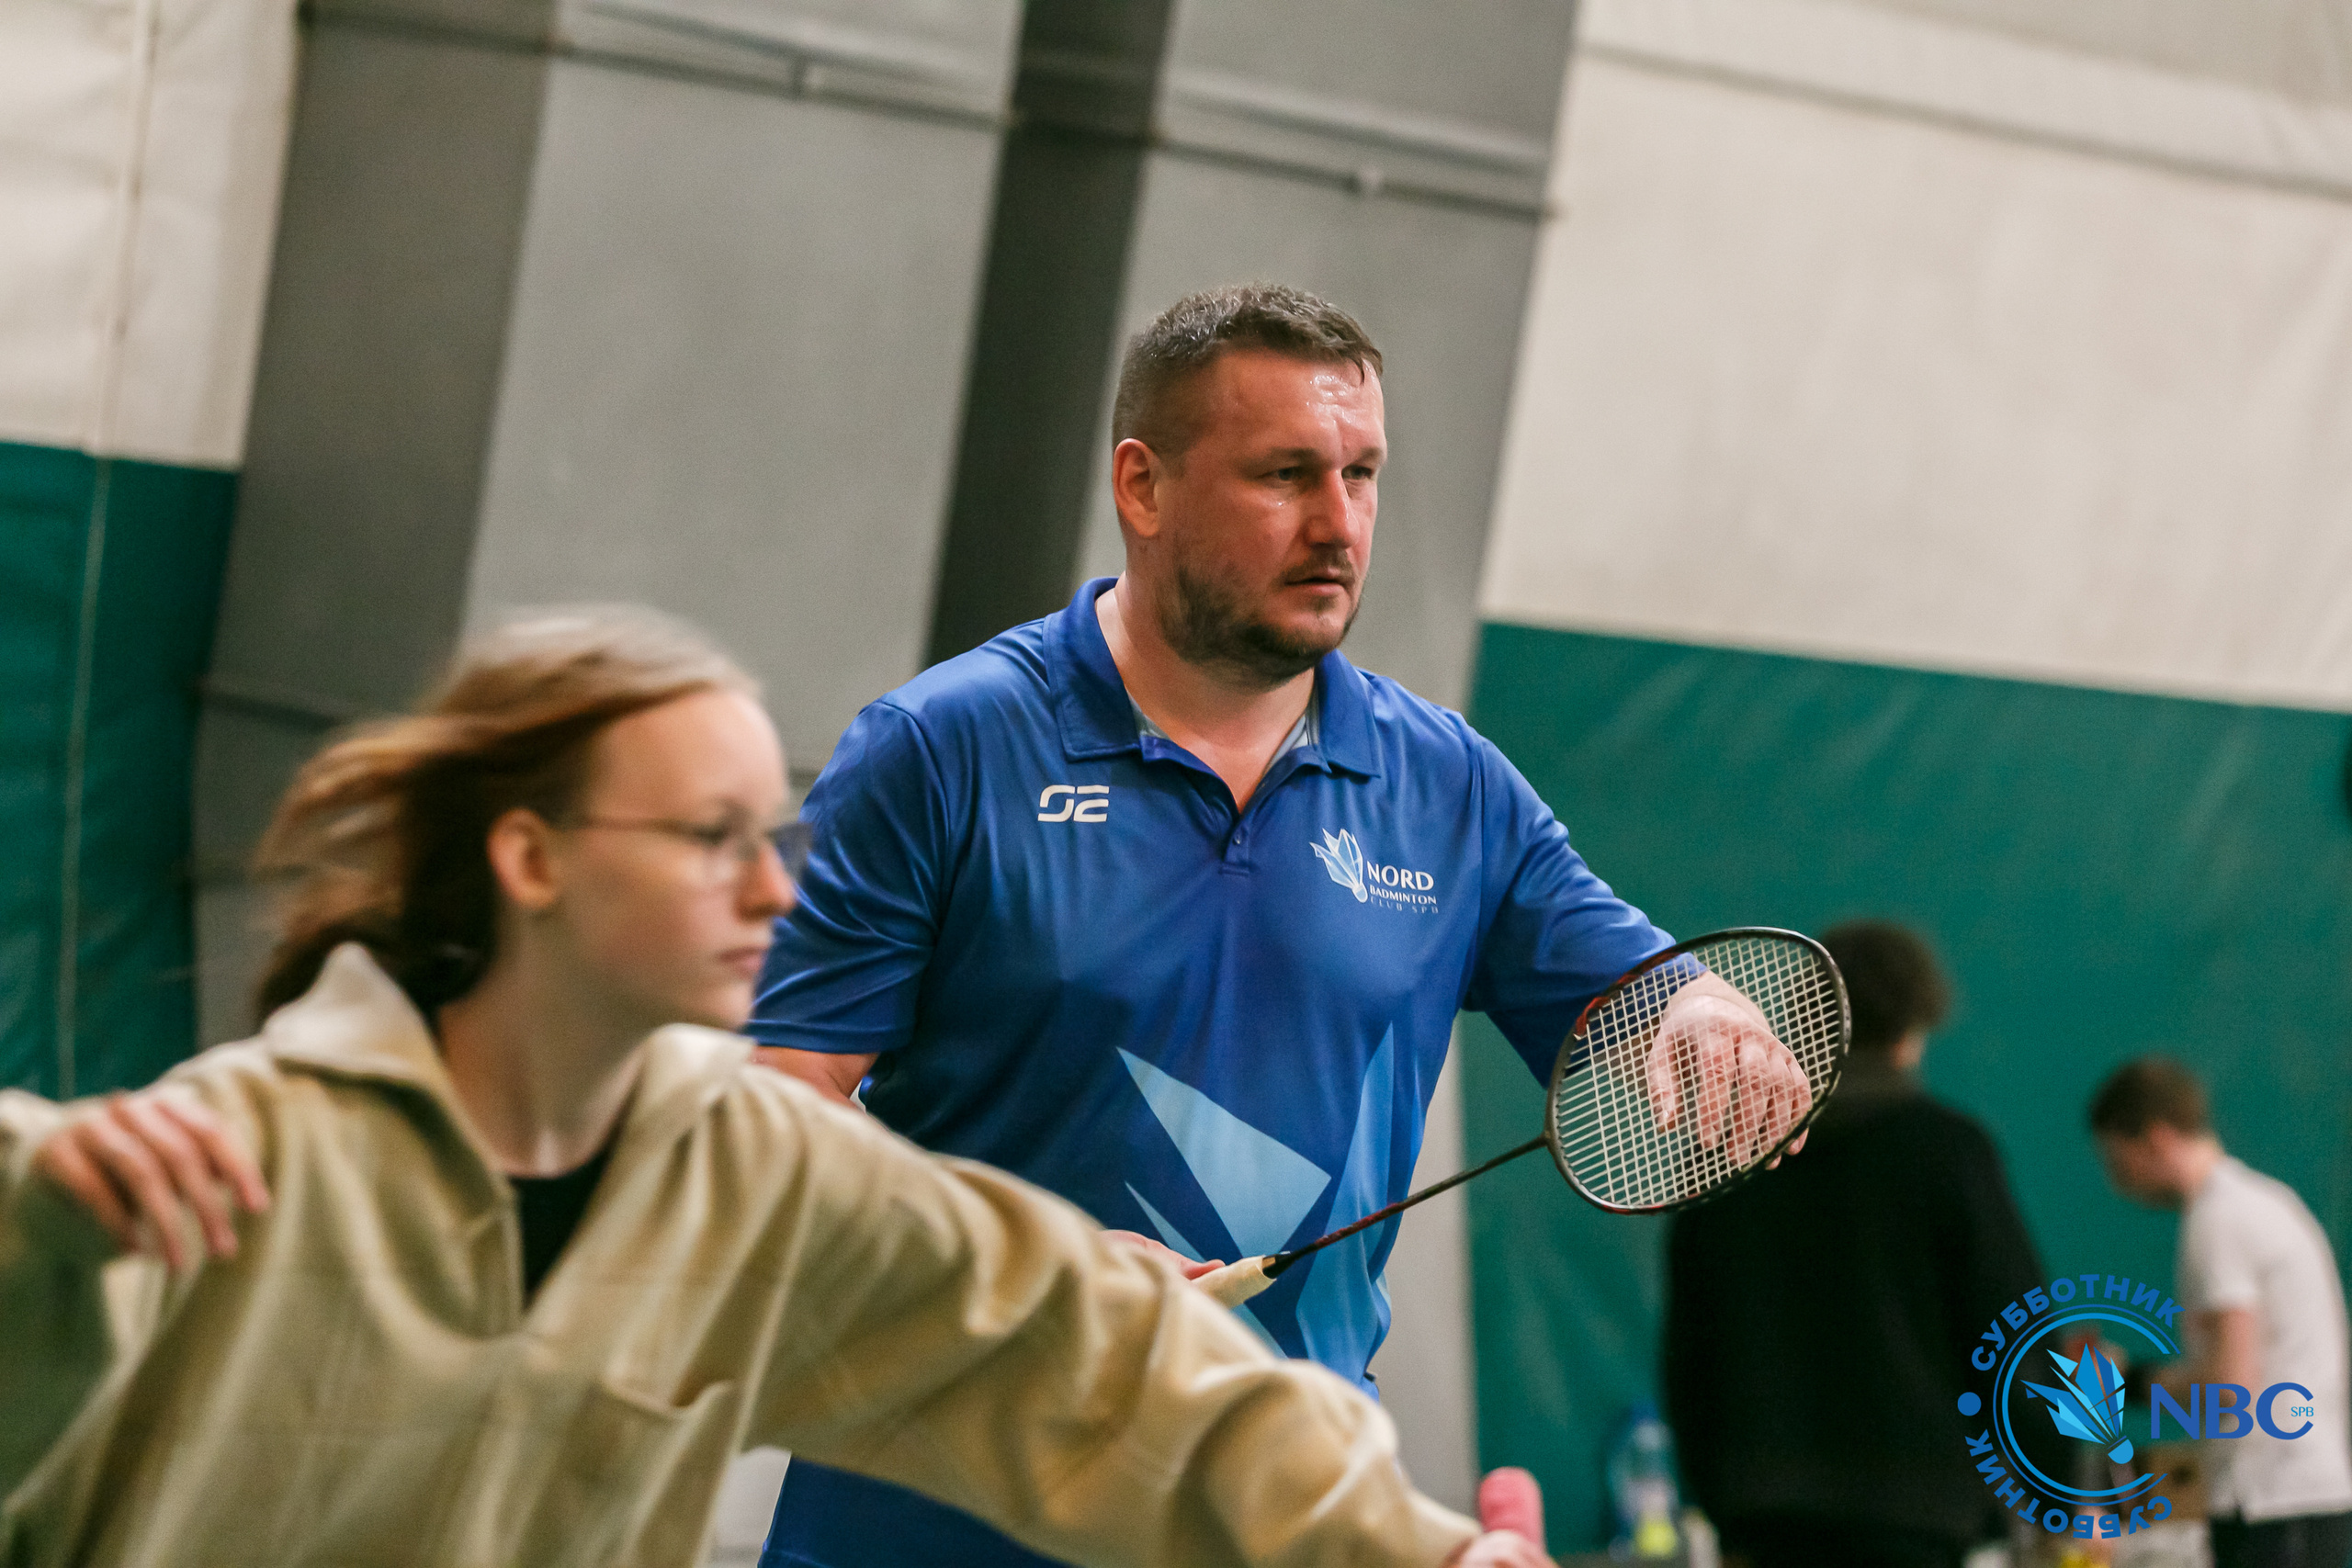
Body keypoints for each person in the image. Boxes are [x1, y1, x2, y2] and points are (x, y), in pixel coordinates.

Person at [0, 607, 1557, 1568]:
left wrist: (1417, 1550)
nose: (771, 889)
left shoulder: (742, 1176)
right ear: (530, 857)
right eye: (708, 840)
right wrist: (32, 1220)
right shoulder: (244, 1151)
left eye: (774, 833)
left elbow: (1094, 1360)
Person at [750, 283, 1810, 1568]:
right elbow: (770, 1114)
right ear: (1142, 486)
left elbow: (1640, 987)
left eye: (1361, 474)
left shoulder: (1448, 785)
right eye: (1285, 475)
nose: (1338, 524)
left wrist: (1702, 1007)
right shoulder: (938, 750)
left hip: (1278, 1521)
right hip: (929, 1519)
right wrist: (1029, 1266)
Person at [1662, 919, 2043, 1568]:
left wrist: (1718, 1499)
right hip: (1916, 1514)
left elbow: (1690, 1352)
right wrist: (2054, 1485)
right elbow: (2011, 1335)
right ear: (1912, 1030)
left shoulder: (1730, 1157)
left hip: (1763, 1513)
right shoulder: (1949, 1152)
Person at [2091, 1056, 2352, 1568]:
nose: (2116, 1181)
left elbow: (2230, 1389)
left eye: (2117, 1161)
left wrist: (2125, 1383)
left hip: (2271, 1506)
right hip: (2301, 1498)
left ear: (2157, 1138)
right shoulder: (2265, 1202)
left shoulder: (2218, 1221)